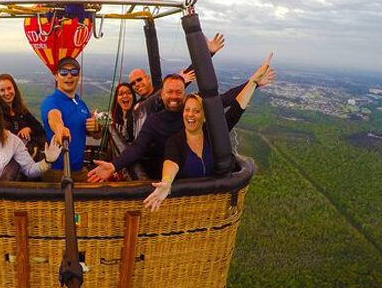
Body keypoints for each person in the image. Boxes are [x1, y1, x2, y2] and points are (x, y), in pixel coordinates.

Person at [87, 54, 275, 183]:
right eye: (170, 92)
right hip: (172, 175)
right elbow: (137, 148)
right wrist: (113, 166)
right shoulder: (156, 123)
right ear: (162, 95)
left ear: (184, 94)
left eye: (179, 92)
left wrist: (253, 83)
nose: (174, 96)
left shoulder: (195, 112)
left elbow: (226, 102)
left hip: (199, 174)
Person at [144, 58, 275, 211]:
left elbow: (237, 107)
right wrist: (166, 181)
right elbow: (171, 162)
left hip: (214, 207)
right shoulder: (175, 141)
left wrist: (253, 82)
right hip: (186, 208)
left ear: (205, 116)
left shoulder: (214, 135)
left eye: (196, 110)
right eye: (187, 110)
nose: (190, 115)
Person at [40, 56, 103, 182]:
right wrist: (60, 129)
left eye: (74, 72)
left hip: (79, 170)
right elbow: (54, 117)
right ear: (56, 76)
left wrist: (96, 128)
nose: (69, 76)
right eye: (63, 72)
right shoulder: (51, 101)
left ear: (78, 77)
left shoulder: (81, 104)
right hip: (56, 172)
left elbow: (96, 136)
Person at [128, 32, 225, 101]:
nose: (136, 84)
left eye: (139, 80)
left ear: (148, 78)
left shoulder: (163, 89)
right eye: (133, 83)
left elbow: (192, 71)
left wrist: (208, 53)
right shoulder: (138, 108)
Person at [0, 74, 46, 158]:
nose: (7, 93)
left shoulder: (21, 110)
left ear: (14, 88)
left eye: (9, 88)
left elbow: (39, 128)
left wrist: (28, 129)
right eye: (2, 90)